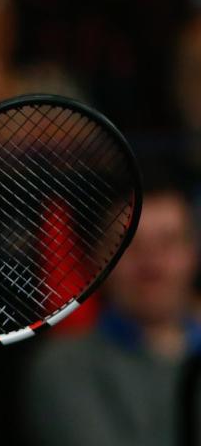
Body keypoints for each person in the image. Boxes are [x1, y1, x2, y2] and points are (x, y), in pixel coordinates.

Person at [23, 173, 201, 446]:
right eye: (130, 244)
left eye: (168, 242)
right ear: (99, 259)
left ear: (193, 254)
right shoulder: (65, 366)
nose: (151, 264)